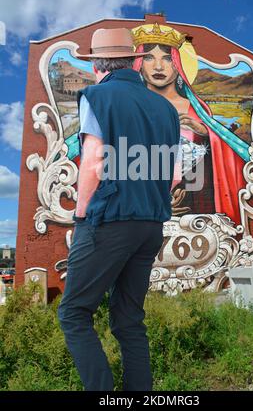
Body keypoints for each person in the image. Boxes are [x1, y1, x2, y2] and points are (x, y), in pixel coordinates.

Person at [57, 27, 180, 391]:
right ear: (134, 62)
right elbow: (172, 173)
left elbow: (94, 163)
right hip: (150, 226)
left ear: (98, 64)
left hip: (109, 221)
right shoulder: (166, 108)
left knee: (74, 314)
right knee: (129, 320)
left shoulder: (98, 96)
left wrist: (81, 216)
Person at [132, 23, 250, 225]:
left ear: (177, 65)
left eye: (167, 58)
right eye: (149, 57)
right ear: (138, 64)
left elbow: (226, 160)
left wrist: (206, 133)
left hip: (194, 205)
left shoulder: (197, 110)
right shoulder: (130, 107)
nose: (158, 66)